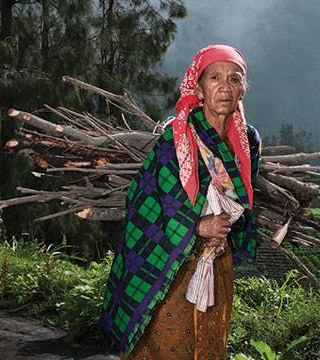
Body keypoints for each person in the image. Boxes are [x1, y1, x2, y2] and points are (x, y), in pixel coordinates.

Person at [100, 44, 261, 360]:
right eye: (215, 78)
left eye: (234, 79)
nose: (225, 87)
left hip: (217, 257)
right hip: (172, 258)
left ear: (244, 89)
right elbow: (152, 197)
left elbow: (242, 198)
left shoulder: (248, 140)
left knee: (212, 339)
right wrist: (199, 225)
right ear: (199, 87)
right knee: (167, 341)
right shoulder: (178, 136)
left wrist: (223, 225)